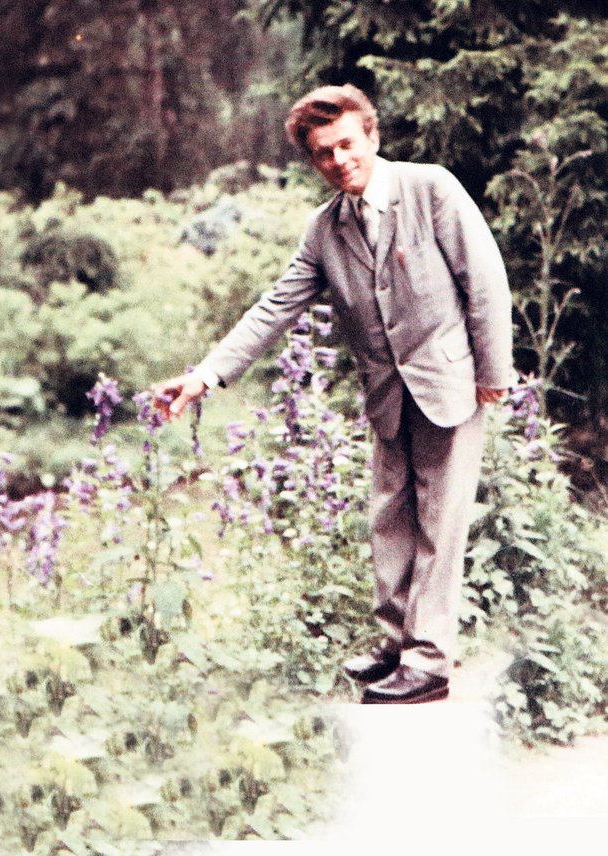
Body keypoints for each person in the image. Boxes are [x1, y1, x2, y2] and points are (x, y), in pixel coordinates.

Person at [153, 84, 514, 704]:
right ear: (313, 160)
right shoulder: (325, 230)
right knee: (389, 520)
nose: (340, 160)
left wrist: (494, 375)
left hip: (449, 385)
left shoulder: (432, 190)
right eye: (324, 153)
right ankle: (397, 644)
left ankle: (429, 663)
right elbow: (274, 308)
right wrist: (206, 375)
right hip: (387, 397)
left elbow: (485, 283)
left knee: (440, 525)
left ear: (371, 136)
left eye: (348, 144)